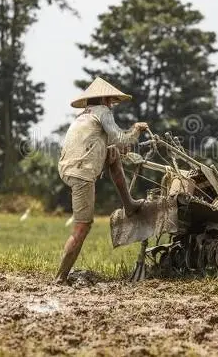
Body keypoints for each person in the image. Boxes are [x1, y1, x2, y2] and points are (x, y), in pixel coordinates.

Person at [54, 77, 149, 285]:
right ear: (105, 99)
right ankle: (60, 278)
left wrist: (117, 148)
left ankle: (129, 204)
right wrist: (137, 129)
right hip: (81, 172)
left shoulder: (84, 116)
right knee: (83, 227)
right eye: (111, 101)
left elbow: (113, 144)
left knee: (113, 155)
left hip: (67, 167)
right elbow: (122, 139)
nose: (111, 105)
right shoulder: (103, 112)